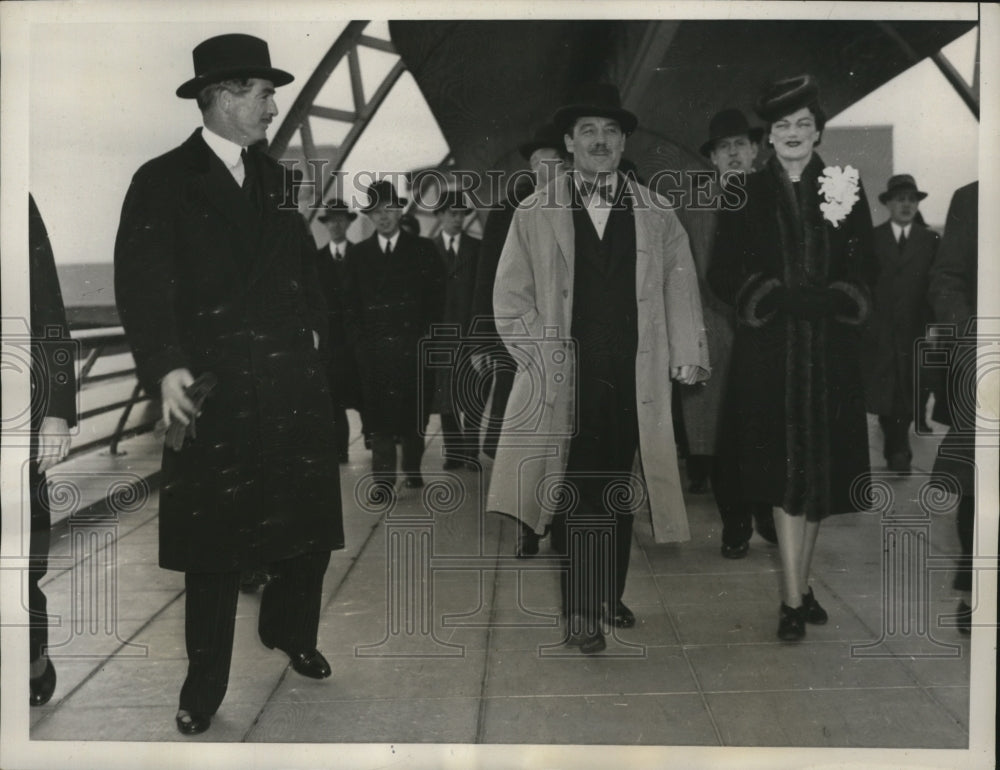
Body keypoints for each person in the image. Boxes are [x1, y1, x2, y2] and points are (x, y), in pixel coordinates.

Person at [114, 33, 344, 736]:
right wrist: (165, 364)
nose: (273, 108)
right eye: (263, 93)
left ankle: (290, 631)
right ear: (221, 97)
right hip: (214, 388)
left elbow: (303, 272)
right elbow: (141, 283)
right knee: (213, 546)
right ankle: (203, 685)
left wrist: (315, 340)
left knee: (307, 527)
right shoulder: (161, 179)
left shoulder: (278, 181)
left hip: (287, 380)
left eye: (272, 95)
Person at [488, 83, 709, 653]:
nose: (601, 140)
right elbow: (510, 300)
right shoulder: (535, 212)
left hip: (634, 379)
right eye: (588, 130)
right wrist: (542, 359)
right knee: (575, 491)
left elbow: (679, 288)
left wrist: (687, 353)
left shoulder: (657, 213)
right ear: (568, 143)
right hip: (568, 380)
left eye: (611, 131)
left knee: (618, 489)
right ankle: (582, 610)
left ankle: (609, 592)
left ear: (623, 141)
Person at [708, 75, 876, 642]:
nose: (793, 134)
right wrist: (772, 296)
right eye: (782, 126)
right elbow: (722, 273)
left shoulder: (844, 185)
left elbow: (864, 267)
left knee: (819, 479)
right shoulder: (744, 193)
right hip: (772, 355)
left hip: (830, 354)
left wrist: (836, 299)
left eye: (804, 124)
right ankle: (790, 599)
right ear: (768, 138)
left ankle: (801, 586)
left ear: (819, 130)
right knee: (784, 476)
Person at [470, 122, 566, 557]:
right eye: (542, 164)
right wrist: (484, 344)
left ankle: (556, 519)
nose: (550, 172)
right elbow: (487, 279)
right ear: (531, 166)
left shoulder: (576, 207)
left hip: (564, 344)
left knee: (562, 440)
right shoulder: (511, 208)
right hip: (518, 346)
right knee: (521, 440)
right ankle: (526, 526)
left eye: (556, 164)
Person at [685, 108, 776, 557]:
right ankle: (735, 524)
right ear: (713, 159)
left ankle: (766, 513)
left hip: (768, 336)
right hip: (715, 334)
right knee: (721, 437)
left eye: (741, 143)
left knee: (766, 430)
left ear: (756, 149)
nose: (734, 152)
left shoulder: (776, 199)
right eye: (725, 147)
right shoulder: (695, 205)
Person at [342, 180, 444, 494]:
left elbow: (438, 300)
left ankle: (412, 468)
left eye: (389, 209)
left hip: (413, 349)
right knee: (378, 418)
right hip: (375, 353)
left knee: (415, 413)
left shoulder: (424, 250)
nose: (383, 216)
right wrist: (361, 344)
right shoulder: (358, 255)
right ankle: (383, 482)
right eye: (376, 212)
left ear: (399, 210)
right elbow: (350, 306)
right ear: (369, 217)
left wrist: (427, 339)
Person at [27, 194, 77, 706]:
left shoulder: (14, 196)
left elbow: (48, 308)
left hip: (12, 410)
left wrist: (57, 409)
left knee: (20, 554)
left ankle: (30, 652)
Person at [862, 174, 939, 474]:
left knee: (909, 389)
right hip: (879, 328)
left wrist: (934, 325)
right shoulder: (872, 238)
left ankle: (898, 448)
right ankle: (895, 445)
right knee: (885, 389)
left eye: (912, 199)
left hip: (914, 328)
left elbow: (937, 283)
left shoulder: (931, 240)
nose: (906, 204)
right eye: (900, 199)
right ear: (889, 204)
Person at [927, 181, 978, 634]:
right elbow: (947, 278)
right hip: (988, 365)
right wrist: (974, 337)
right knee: (978, 487)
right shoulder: (972, 197)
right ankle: (974, 589)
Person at [431, 191, 485, 470]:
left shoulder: (477, 249)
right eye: (451, 213)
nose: (456, 218)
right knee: (445, 397)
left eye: (461, 213)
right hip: (440, 335)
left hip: (468, 332)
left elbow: (481, 293)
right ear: (439, 216)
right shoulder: (428, 249)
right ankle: (454, 452)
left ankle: (471, 452)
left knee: (472, 394)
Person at [316, 198, 363, 464]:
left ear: (347, 223)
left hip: (357, 341)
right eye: (330, 220)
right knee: (334, 398)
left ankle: (372, 439)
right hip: (331, 344)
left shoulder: (361, 254)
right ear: (325, 225)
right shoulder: (316, 260)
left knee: (363, 394)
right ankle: (341, 450)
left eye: (340, 219)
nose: (335, 224)